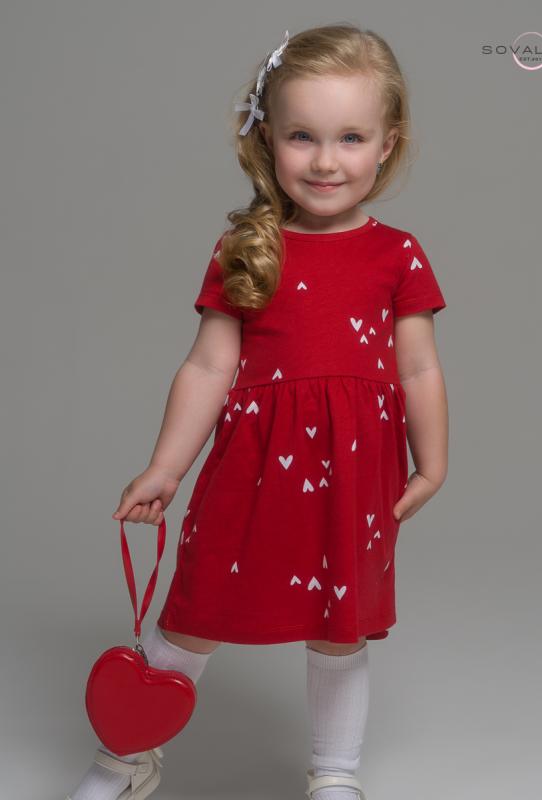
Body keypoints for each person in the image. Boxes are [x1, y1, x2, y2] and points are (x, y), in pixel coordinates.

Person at [66, 23, 448, 800]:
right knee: (193, 615)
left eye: (350, 138)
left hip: (351, 478)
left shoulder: (398, 254)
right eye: (303, 136)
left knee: (340, 630)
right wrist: (166, 467)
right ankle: (125, 757)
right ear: (267, 137)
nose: (326, 161)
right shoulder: (246, 249)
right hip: (252, 471)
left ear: (387, 144)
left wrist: (432, 462)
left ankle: (335, 773)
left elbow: (418, 367)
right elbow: (209, 366)